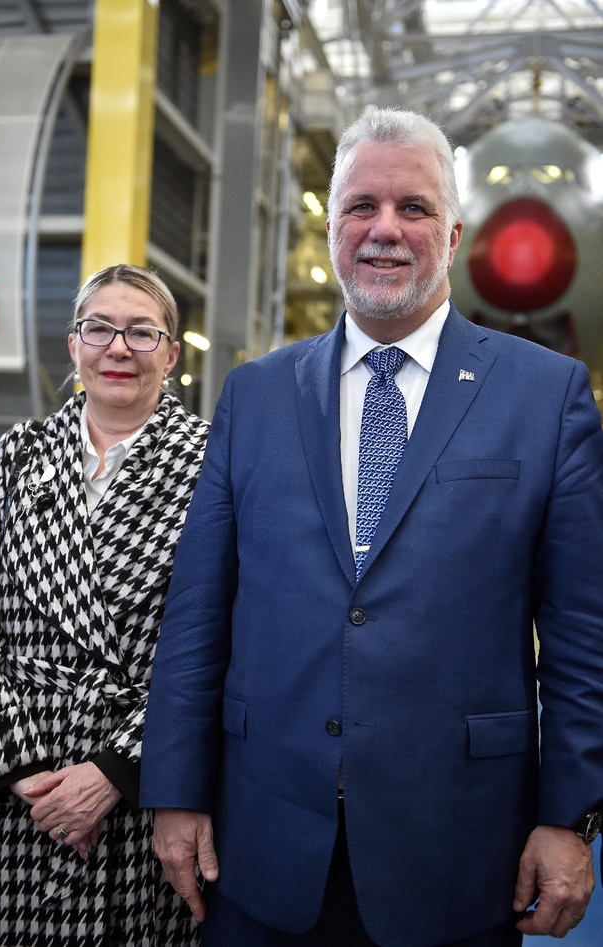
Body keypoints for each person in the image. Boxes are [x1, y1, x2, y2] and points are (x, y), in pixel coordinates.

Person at [139, 110, 603, 947]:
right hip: (262, 845)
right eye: (361, 206)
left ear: (453, 233)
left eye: (414, 208)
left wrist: (571, 817)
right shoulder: (254, 396)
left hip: (459, 849)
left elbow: (580, 635)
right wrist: (174, 789)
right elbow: (198, 614)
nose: (384, 230)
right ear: (330, 229)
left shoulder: (547, 396)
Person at [0, 264, 209, 946]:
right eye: (100, 328)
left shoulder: (214, 461)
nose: (118, 348)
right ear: (73, 345)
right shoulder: (17, 456)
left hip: (141, 793)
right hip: (15, 792)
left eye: (141, 331)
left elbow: (231, 636)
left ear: (171, 352)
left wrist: (115, 767)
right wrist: (18, 767)